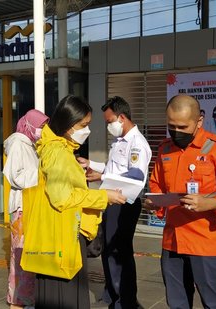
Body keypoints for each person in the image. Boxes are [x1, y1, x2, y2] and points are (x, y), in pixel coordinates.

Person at [144, 95, 216, 309]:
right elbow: (156, 183)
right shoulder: (165, 149)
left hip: (206, 241)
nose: (176, 132)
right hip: (173, 240)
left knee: (214, 303)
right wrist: (155, 202)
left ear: (199, 121)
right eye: (171, 126)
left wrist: (209, 203)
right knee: (177, 302)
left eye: (182, 126)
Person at [34, 95, 127, 308]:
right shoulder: (58, 152)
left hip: (58, 234)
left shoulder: (59, 148)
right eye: (83, 125)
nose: (87, 130)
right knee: (66, 297)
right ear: (68, 125)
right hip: (63, 236)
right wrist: (104, 196)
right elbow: (62, 198)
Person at [77, 96, 151, 309]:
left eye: (109, 121)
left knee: (120, 253)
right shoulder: (120, 141)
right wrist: (93, 165)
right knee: (108, 249)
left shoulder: (137, 143)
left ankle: (125, 300)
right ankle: (112, 293)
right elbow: (114, 168)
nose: (108, 126)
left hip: (124, 203)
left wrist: (101, 177)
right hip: (111, 201)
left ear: (122, 117)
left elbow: (135, 177)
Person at [3, 109, 49, 309]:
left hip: (29, 205)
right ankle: (19, 301)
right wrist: (42, 175)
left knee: (25, 256)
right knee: (22, 256)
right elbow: (14, 175)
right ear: (29, 125)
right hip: (22, 207)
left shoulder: (29, 143)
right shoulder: (18, 143)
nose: (41, 131)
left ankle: (22, 298)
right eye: (40, 127)